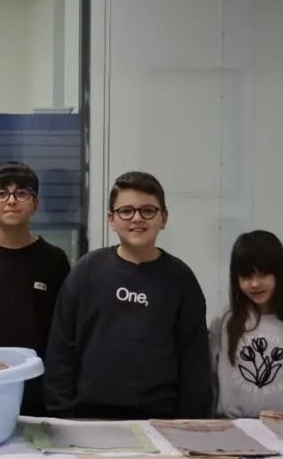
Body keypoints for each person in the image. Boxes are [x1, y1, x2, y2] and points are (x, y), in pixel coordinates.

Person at [43, 171, 211, 419]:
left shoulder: (180, 279)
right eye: (126, 211)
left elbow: (194, 360)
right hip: (87, 416)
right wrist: (62, 414)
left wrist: (189, 423)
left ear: (164, 218)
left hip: (159, 419)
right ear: (111, 219)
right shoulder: (87, 270)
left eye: (148, 211)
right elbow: (61, 348)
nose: (137, 218)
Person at [0, 161, 70, 416]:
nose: (11, 201)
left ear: (35, 204)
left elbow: (63, 330)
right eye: (1, 193)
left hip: (39, 382)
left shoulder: (54, 260)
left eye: (21, 193)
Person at [210, 231, 283, 418]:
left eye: (263, 274)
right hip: (232, 429)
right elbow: (209, 382)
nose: (255, 284)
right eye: (246, 276)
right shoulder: (223, 323)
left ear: (280, 274)